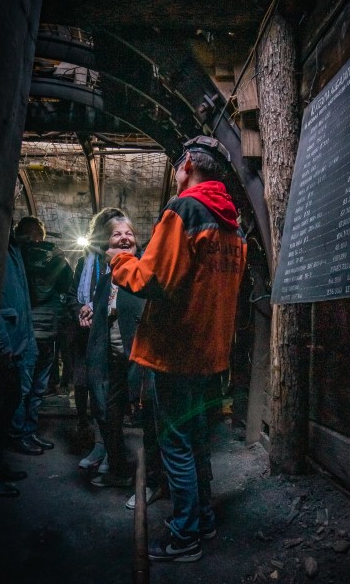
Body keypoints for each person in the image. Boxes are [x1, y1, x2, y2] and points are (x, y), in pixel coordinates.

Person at [109, 135, 247, 562]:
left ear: (186, 164)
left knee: (175, 444)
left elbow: (152, 280)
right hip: (210, 356)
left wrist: (119, 260)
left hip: (175, 354)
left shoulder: (184, 209)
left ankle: (184, 536)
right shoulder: (235, 226)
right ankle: (203, 520)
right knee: (198, 439)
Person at [85, 215, 164, 499]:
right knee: (107, 413)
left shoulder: (144, 273)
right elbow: (106, 315)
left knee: (151, 421)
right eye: (116, 234)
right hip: (113, 361)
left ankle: (154, 481)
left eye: (128, 233)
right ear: (107, 242)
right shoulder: (106, 280)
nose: (124, 238)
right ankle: (118, 470)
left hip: (142, 361)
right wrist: (91, 312)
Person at [0, 179, 38, 497]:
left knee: (7, 406)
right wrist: (2, 342)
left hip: (16, 338)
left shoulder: (10, 242)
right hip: (2, 341)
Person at [7, 216, 73, 455]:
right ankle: (26, 433)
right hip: (49, 331)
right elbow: (68, 286)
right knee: (36, 389)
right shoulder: (56, 256)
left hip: (24, 332)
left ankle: (20, 434)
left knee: (22, 389)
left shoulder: (17, 256)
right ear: (41, 234)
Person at [66, 207, 126, 468]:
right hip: (86, 337)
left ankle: (107, 449)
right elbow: (72, 295)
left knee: (107, 397)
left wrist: (100, 311)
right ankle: (96, 442)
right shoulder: (85, 262)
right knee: (87, 388)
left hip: (111, 339)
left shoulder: (125, 262)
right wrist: (81, 309)